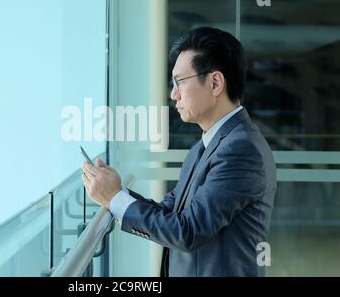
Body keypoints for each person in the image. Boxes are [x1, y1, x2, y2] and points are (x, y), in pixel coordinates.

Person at [82, 26, 277, 277]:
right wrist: (116, 193)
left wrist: (114, 199)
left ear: (215, 83)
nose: (173, 94)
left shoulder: (240, 150)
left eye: (179, 82)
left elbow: (187, 231)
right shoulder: (207, 146)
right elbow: (171, 214)